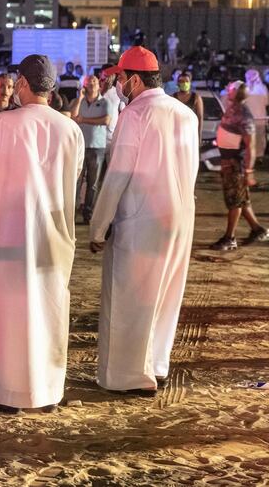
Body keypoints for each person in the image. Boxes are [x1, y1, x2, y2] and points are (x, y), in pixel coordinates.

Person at [0, 54, 84, 413]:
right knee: (47, 310)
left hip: (10, 235)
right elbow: (73, 177)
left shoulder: (6, 123)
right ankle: (46, 390)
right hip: (54, 235)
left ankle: (6, 392)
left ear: (22, 84)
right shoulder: (70, 129)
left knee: (8, 312)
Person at [89, 46, 199, 395]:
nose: (118, 84)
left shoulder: (135, 115)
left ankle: (127, 376)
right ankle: (157, 365)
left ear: (135, 80)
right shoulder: (185, 115)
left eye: (120, 78)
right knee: (166, 295)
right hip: (180, 216)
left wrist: (98, 226)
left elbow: (117, 175)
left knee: (131, 300)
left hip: (142, 219)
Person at [209, 81, 269, 251]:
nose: (228, 88)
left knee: (235, 201)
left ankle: (230, 238)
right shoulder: (233, 109)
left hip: (236, 165)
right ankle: (258, 230)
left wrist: (248, 171)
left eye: (231, 88)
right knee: (242, 199)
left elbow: (250, 145)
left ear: (237, 92)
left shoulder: (244, 113)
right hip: (228, 162)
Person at [71, 75, 114, 224]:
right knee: (76, 181)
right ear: (84, 85)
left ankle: (87, 214)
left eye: (94, 80)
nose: (92, 83)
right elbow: (73, 117)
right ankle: (72, 213)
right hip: (80, 147)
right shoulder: (79, 101)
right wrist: (79, 98)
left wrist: (84, 120)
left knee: (92, 183)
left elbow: (106, 120)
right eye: (88, 81)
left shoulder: (104, 102)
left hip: (97, 147)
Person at [244, 69, 268, 163]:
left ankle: (252, 156)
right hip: (259, 119)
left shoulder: (245, 88)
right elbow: (266, 103)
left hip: (250, 119)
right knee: (259, 139)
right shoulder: (263, 88)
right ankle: (258, 156)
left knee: (250, 139)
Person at [172, 72, 204, 142]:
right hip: (176, 133)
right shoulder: (173, 97)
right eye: (182, 81)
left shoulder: (196, 98)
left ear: (190, 83)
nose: (184, 83)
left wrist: (199, 136)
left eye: (187, 81)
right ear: (178, 83)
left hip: (190, 132)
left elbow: (200, 117)